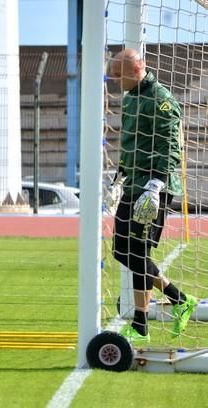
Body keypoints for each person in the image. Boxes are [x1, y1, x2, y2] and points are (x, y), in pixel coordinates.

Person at [107, 48, 197, 342]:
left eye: (118, 75)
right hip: (133, 184)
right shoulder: (131, 98)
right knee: (123, 250)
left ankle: (141, 326)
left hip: (153, 188)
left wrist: (157, 184)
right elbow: (133, 142)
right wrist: (119, 175)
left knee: (138, 251)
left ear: (135, 71)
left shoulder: (162, 100)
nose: (115, 81)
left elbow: (172, 145)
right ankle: (179, 299)